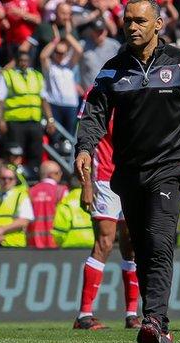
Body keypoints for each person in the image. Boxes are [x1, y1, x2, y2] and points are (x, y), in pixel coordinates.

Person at [74, 0, 180, 343]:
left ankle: (152, 320)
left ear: (158, 24)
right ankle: (160, 330)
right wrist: (85, 149)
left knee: (159, 240)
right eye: (127, 21)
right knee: (141, 248)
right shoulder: (112, 69)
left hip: (170, 168)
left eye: (140, 20)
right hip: (130, 173)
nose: (132, 27)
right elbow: (94, 114)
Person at [73, 102, 141, 331]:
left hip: (132, 178)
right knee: (104, 242)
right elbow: (84, 139)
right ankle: (84, 314)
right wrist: (87, 184)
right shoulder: (98, 94)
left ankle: (132, 314)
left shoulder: (135, 89)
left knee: (131, 245)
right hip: (104, 179)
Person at [0, 50, 55, 180]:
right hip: (15, 122)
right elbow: (0, 99)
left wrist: (50, 119)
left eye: (26, 60)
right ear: (16, 61)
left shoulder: (37, 75)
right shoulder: (8, 75)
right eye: (21, 60)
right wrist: (0, 121)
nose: (23, 63)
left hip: (34, 121)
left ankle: (33, 178)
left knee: (36, 152)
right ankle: (14, 179)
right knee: (15, 153)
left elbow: (43, 99)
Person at [26, 161, 68, 248]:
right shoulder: (62, 191)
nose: (60, 175)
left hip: (33, 243)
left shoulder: (30, 192)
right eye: (58, 172)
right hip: (55, 242)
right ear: (51, 174)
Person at [0, 165, 34, 247]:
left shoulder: (21, 196)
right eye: (3, 178)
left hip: (14, 245)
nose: (7, 181)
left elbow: (24, 221)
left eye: (10, 178)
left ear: (15, 180)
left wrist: (1, 230)